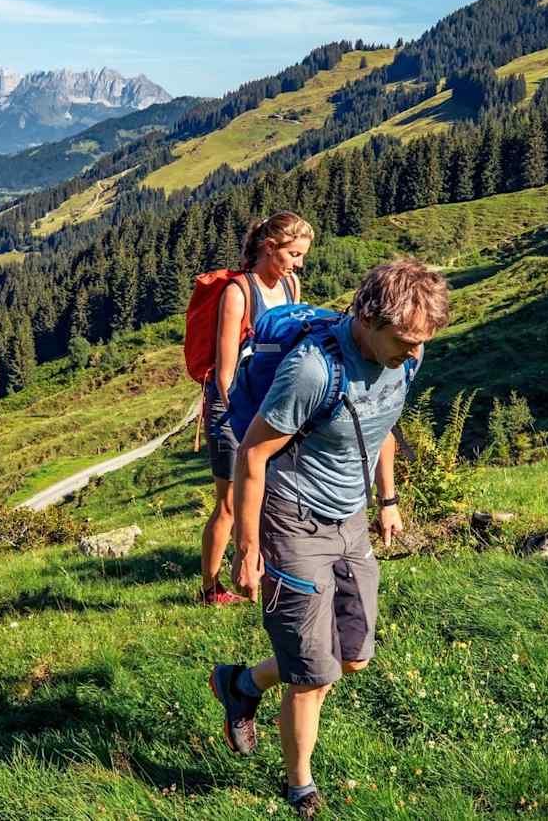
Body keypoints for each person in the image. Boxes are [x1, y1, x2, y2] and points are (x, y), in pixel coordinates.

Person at [208, 259, 450, 818]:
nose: (414, 353)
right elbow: (252, 453)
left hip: (353, 520)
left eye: (422, 341)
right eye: (406, 340)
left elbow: (384, 421)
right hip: (293, 523)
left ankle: (241, 683)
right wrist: (249, 551)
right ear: (367, 317)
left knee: (351, 658)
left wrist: (387, 500)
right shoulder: (313, 371)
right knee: (313, 675)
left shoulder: (406, 355)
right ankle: (300, 786)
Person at [198, 211, 314, 605]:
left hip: (272, 404)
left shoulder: (292, 286)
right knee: (229, 503)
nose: (298, 263)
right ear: (270, 248)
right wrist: (247, 423)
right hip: (234, 407)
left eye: (301, 256)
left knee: (268, 496)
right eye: (294, 254)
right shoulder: (238, 292)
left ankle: (260, 574)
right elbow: (226, 375)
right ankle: (211, 588)